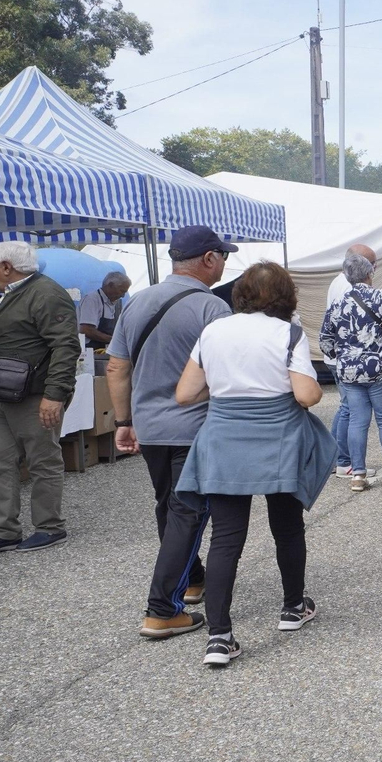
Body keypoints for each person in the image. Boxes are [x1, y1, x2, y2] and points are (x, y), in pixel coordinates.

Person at [173, 262, 335, 668]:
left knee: (226, 538)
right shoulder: (288, 333)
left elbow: (185, 393)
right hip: (278, 439)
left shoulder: (214, 331)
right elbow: (306, 395)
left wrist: (227, 388)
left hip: (224, 439)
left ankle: (219, 637)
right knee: (287, 527)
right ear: (286, 296)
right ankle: (293, 607)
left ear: (240, 293)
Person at [109, 226, 234, 637]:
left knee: (170, 507)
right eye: (224, 256)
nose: (225, 263)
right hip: (194, 426)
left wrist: (124, 421)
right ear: (209, 259)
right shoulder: (212, 308)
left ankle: (192, 580)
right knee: (188, 512)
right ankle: (161, 608)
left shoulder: (137, 302)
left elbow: (117, 366)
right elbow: (226, 373)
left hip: (150, 426)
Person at [0, 242, 81, 556]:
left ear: (6, 267)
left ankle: (50, 527)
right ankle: (4, 531)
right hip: (1, 395)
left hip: (35, 395)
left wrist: (54, 395)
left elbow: (65, 347)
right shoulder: (8, 295)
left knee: (42, 461)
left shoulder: (46, 294)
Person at [320, 253, 382, 490]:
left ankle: (358, 474)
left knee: (357, 421)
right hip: (381, 367)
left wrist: (341, 356)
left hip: (349, 371)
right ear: (370, 273)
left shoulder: (338, 303)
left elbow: (325, 339)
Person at [326, 243, 376, 477]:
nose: (373, 270)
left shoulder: (338, 282)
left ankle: (337, 458)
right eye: (371, 265)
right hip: (348, 358)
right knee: (350, 410)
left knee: (346, 408)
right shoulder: (347, 287)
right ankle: (343, 460)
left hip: (339, 356)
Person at [78, 270, 131, 350]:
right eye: (122, 291)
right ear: (110, 285)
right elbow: (86, 330)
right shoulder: (92, 300)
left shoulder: (111, 303)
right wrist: (114, 340)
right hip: (89, 350)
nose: (123, 296)